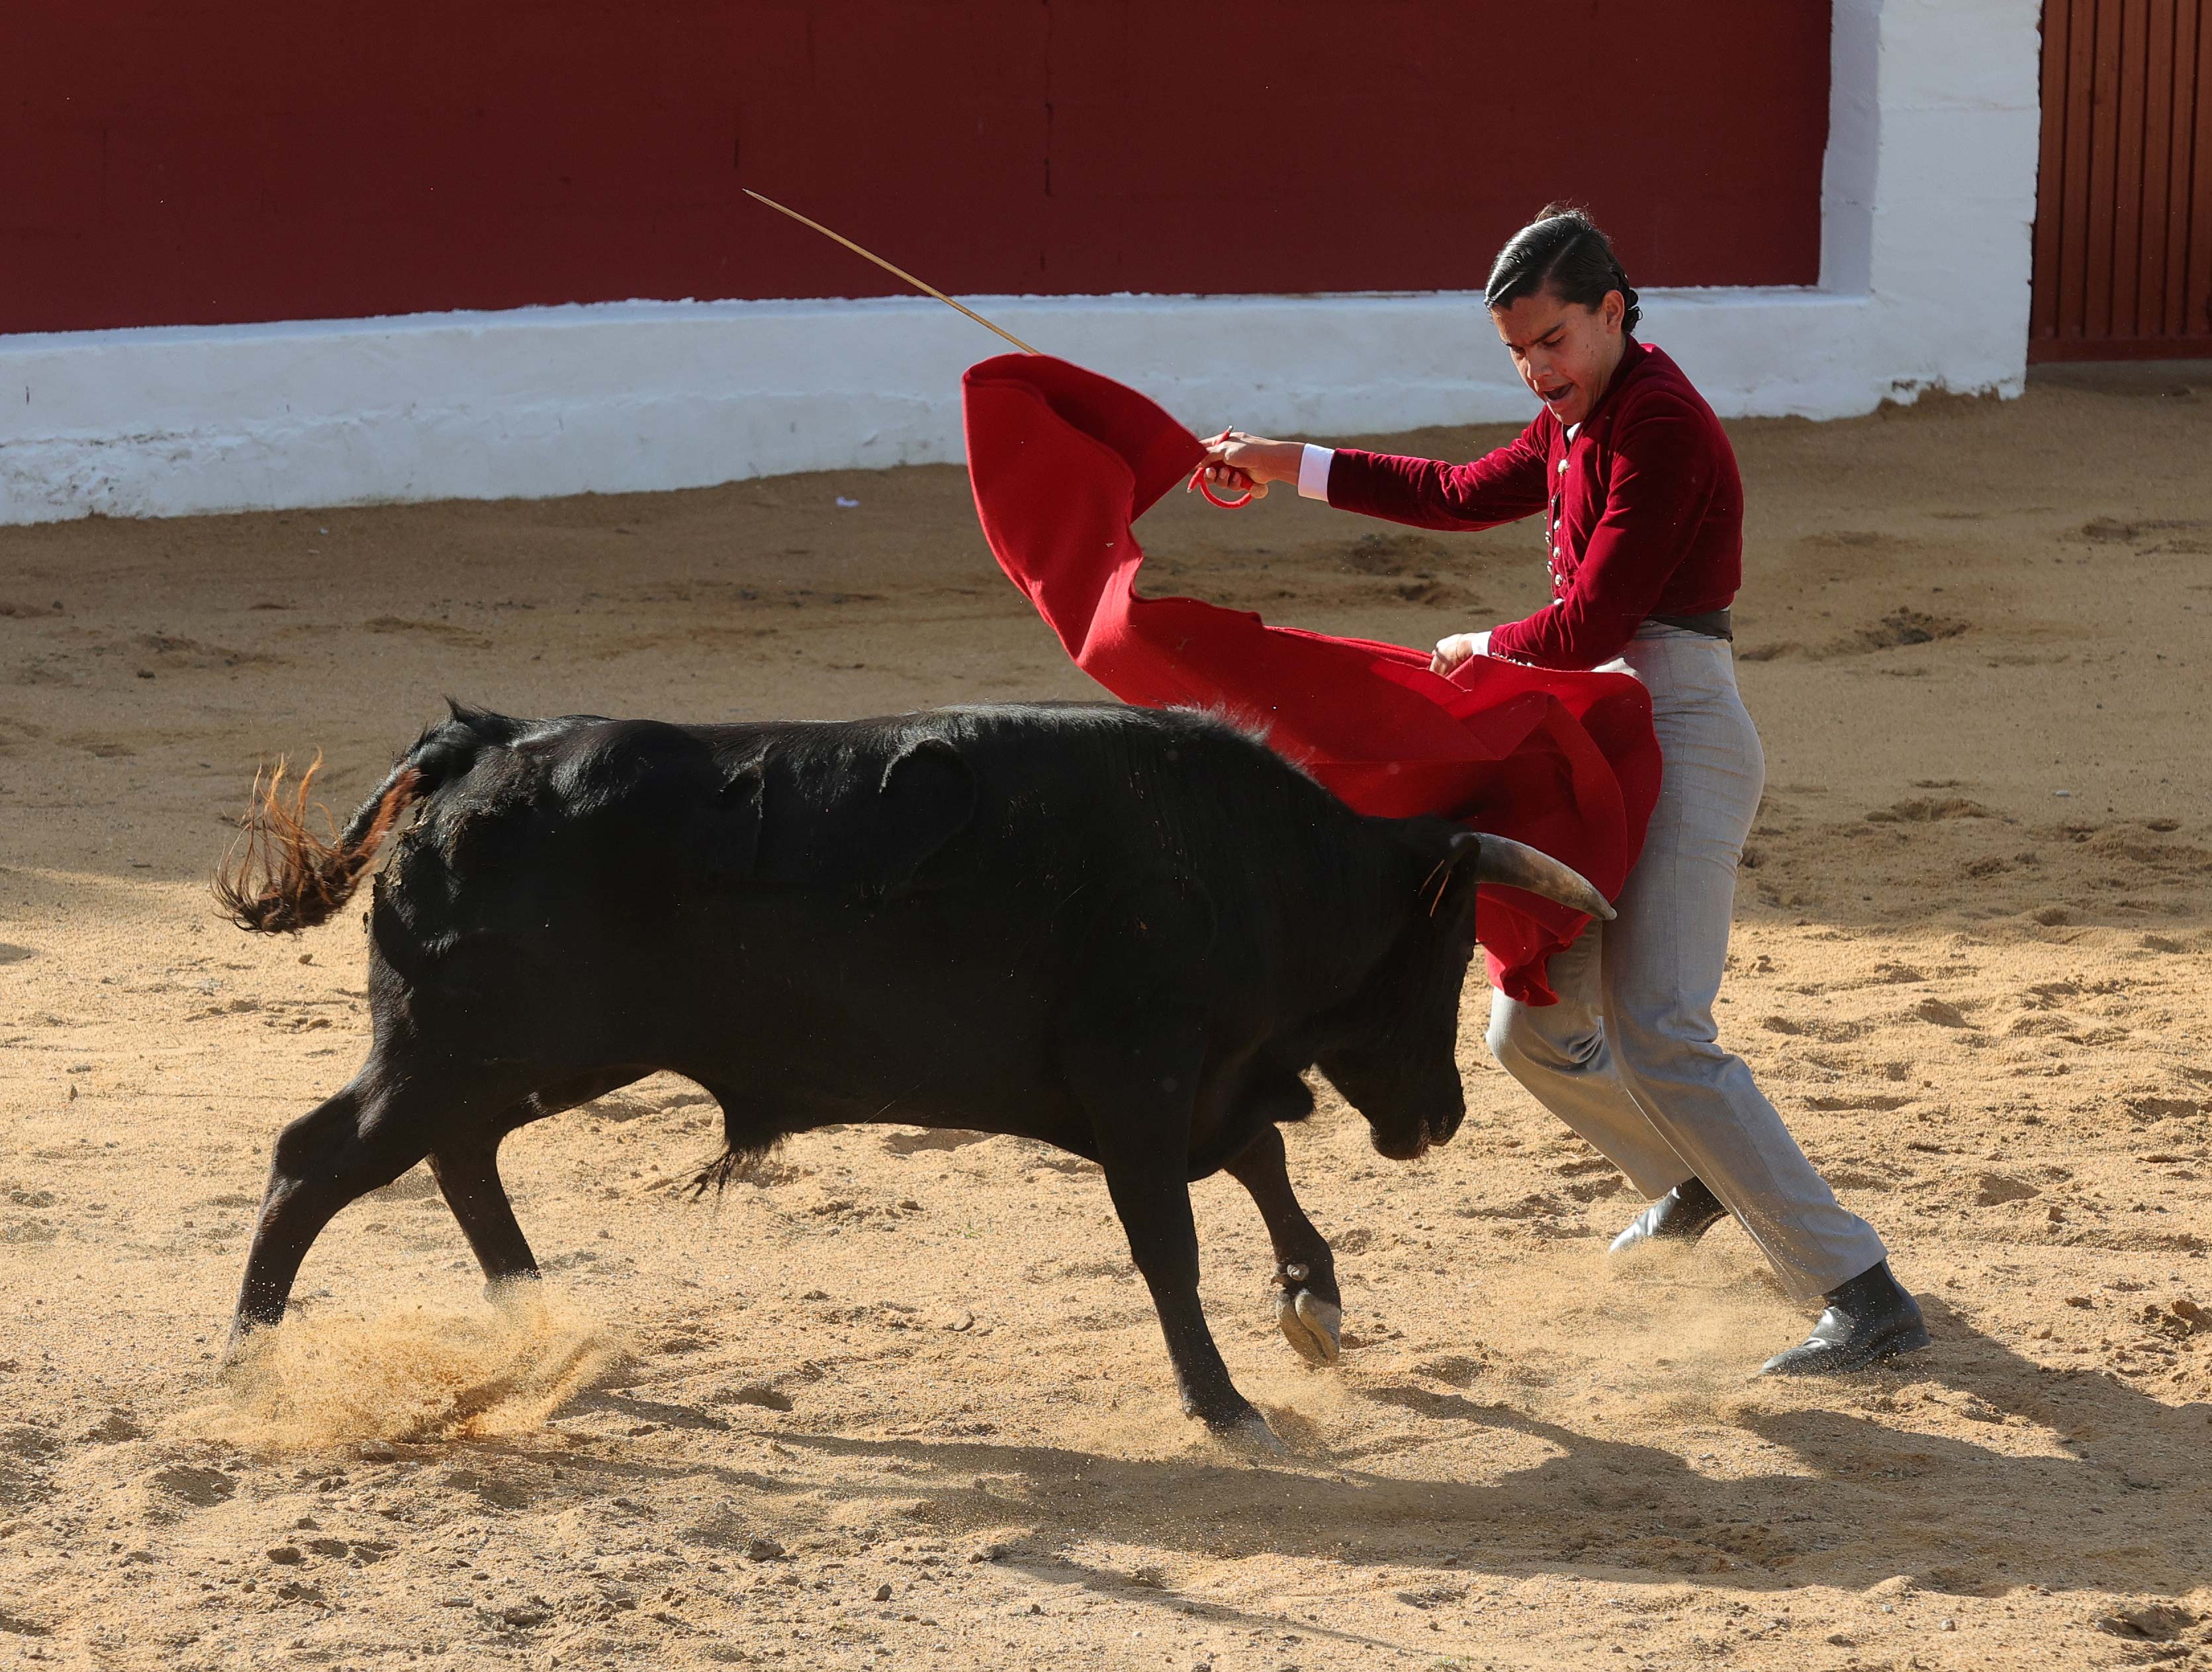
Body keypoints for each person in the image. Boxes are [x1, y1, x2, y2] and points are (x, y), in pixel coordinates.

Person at [1192, 205, 1927, 1376]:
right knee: (1528, 1030)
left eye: (1552, 343)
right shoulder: (1585, 415)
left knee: (1660, 1031)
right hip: (1599, 727)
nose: (1537, 372)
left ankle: (1862, 1289)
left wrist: (1483, 643)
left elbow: (1594, 618)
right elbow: (1454, 491)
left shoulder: (1661, 425)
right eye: (1518, 353)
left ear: (1612, 313)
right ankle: (1689, 1184)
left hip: (1675, 730)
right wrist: (1288, 463)